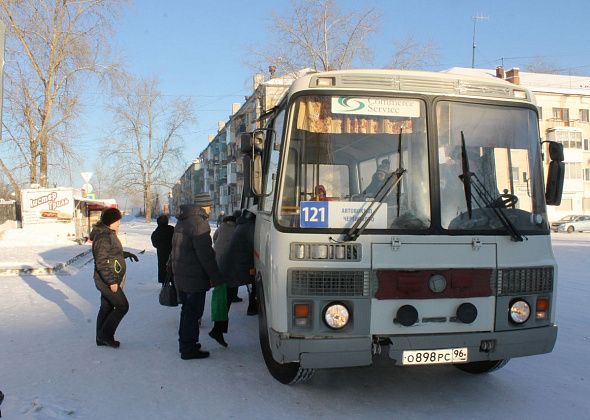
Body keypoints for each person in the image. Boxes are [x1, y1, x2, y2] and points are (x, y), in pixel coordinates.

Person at [171, 192, 225, 360]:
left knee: (187, 312)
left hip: (182, 273)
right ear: (205, 206)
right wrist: (216, 278)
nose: (211, 209)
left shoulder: (183, 220)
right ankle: (188, 348)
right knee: (193, 314)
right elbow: (206, 256)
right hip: (194, 276)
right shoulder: (199, 224)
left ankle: (186, 344)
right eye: (210, 206)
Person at [90, 207, 138, 348]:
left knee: (106, 307)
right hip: (107, 280)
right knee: (123, 306)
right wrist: (111, 281)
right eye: (117, 221)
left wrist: (126, 254)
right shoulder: (103, 236)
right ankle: (105, 335)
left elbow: (112, 253)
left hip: (109, 278)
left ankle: (100, 338)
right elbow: (101, 261)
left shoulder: (108, 233)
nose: (119, 223)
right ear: (111, 221)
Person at [208, 210, 240, 347]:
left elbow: (214, 239)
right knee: (226, 298)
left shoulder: (222, 227)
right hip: (227, 267)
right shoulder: (237, 230)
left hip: (217, 264)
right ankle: (217, 330)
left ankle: (218, 329)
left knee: (223, 298)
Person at [223, 208, 258, 316]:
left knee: (230, 290)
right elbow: (255, 244)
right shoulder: (249, 227)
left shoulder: (241, 225)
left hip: (233, 263)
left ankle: (220, 321)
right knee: (255, 284)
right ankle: (219, 324)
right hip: (238, 264)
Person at [150, 214, 174, 284]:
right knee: (172, 268)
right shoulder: (172, 229)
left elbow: (155, 244)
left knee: (162, 267)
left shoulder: (156, 232)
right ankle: (173, 282)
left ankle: (164, 283)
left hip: (161, 253)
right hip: (172, 252)